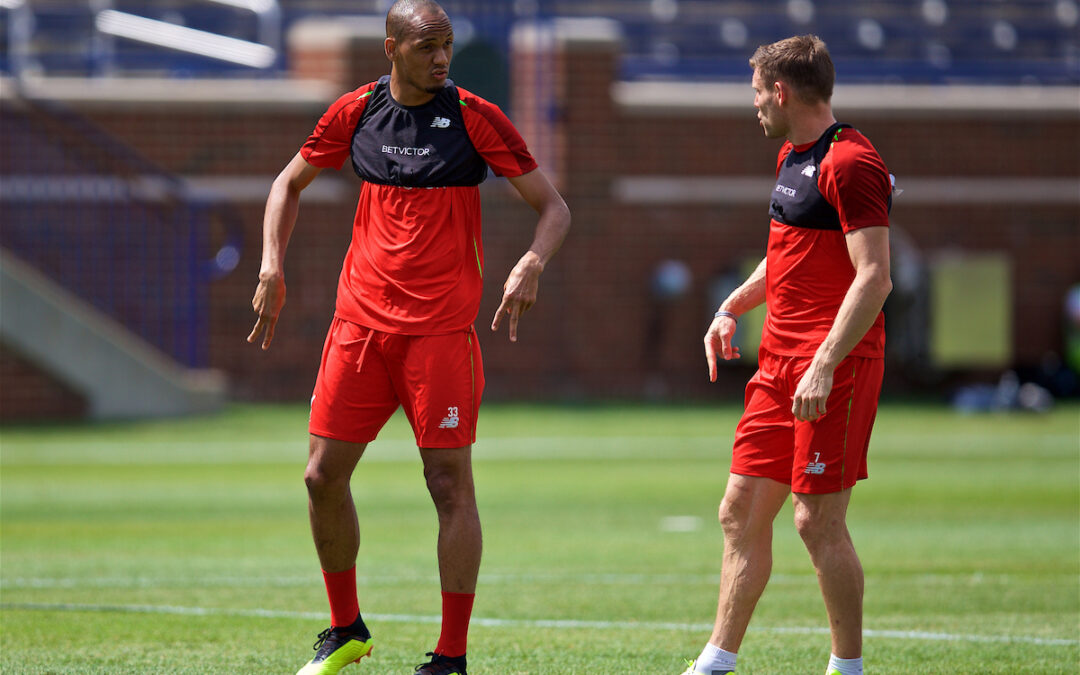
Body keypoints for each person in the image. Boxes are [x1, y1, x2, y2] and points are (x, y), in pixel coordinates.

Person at [246, 1, 570, 673]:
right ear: (391, 47)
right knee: (319, 476)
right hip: (358, 328)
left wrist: (532, 263)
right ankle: (346, 630)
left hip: (439, 338)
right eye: (427, 48)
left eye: (447, 46)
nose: (442, 59)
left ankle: (450, 655)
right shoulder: (357, 111)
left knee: (449, 484)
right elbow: (288, 182)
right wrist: (272, 262)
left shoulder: (475, 117)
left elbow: (553, 207)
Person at [682, 35, 892, 675]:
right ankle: (716, 663)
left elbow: (875, 276)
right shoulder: (792, 155)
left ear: (781, 91)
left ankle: (846, 668)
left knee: (814, 520)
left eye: (755, 93)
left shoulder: (852, 163)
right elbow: (787, 256)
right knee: (739, 510)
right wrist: (731, 307)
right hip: (776, 367)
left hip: (835, 369)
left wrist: (825, 362)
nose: (753, 106)